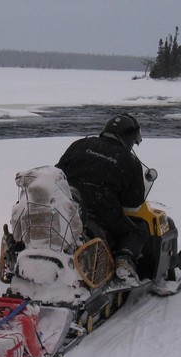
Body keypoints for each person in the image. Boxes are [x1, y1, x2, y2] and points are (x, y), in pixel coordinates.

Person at [56, 113, 147, 286]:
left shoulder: (80, 144)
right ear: (128, 137)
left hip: (70, 207)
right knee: (136, 229)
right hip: (103, 211)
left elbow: (58, 173)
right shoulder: (129, 160)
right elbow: (134, 201)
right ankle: (124, 260)